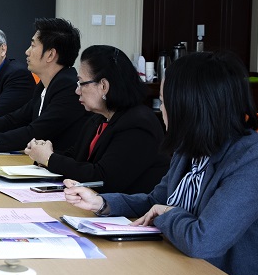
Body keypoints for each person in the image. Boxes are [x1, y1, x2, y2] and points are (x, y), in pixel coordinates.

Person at [65, 52, 258, 275]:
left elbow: (202, 240)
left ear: (190, 106)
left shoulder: (256, 161)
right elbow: (154, 202)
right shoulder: (190, 148)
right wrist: (102, 203)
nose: (162, 110)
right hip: (184, 272)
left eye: (165, 102)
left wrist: (166, 213)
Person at [24, 45, 169, 194]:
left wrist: (49, 158)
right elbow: (76, 157)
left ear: (104, 86)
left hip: (129, 208)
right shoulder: (98, 118)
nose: (77, 91)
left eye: (81, 83)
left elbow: (102, 179)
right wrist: (45, 152)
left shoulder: (138, 125)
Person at [0, 17, 88, 153]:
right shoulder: (45, 85)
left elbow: (34, 132)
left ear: (50, 55)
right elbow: (15, 119)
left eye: (33, 46)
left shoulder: (68, 88)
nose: (27, 51)